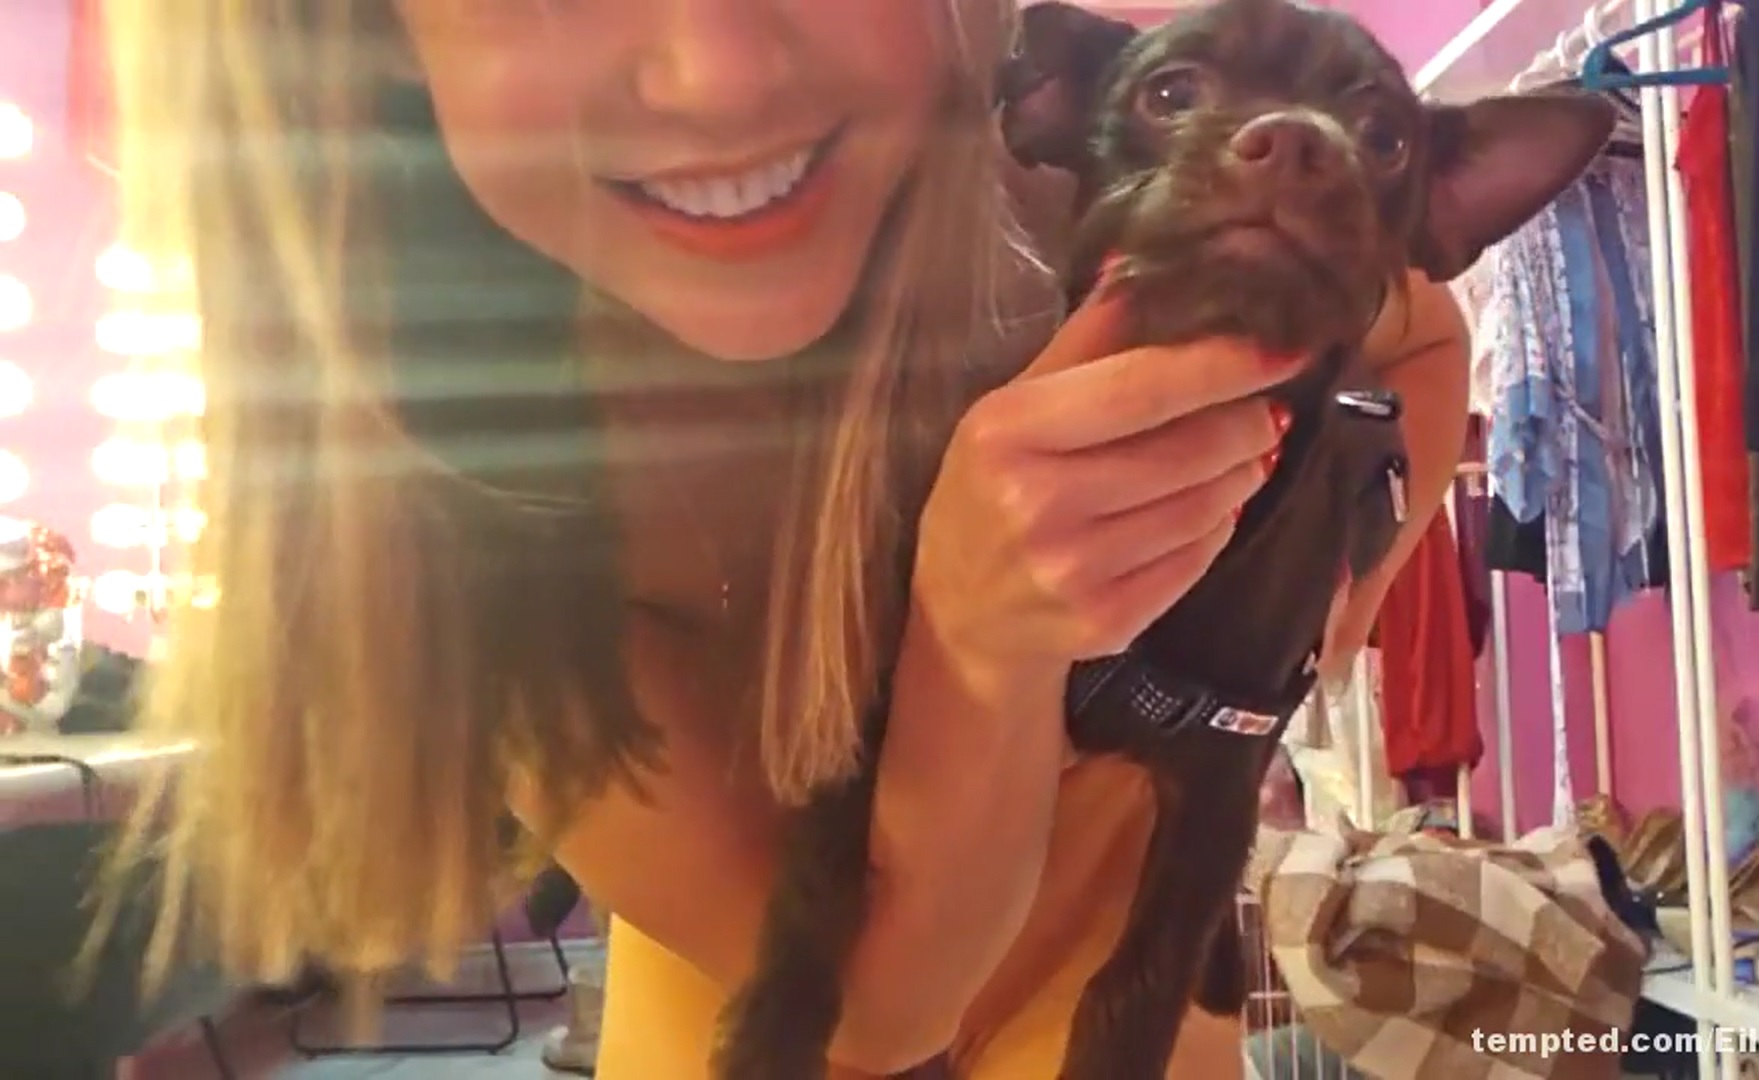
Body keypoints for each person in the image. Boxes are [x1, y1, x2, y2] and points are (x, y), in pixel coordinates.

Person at [101, 1, 1470, 1076]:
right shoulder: (467, 517)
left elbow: (1420, 329)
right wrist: (980, 641)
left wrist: (1343, 601)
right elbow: (875, 1012)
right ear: (366, 50)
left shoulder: (1057, 188)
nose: (716, 73)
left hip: (1124, 976)